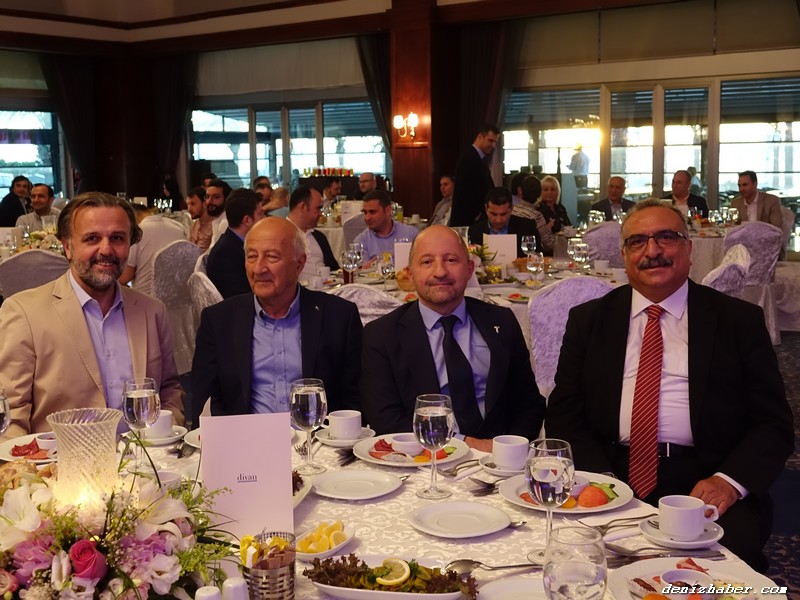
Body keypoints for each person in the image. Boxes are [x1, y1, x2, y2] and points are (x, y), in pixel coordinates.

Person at [545, 199, 793, 572]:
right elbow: (564, 413)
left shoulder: (737, 321)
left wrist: (728, 481)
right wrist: (601, 479)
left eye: (666, 237)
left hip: (705, 476)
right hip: (610, 470)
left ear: (689, 249)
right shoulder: (590, 320)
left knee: (726, 576)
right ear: (624, 255)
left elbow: (773, 424)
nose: (652, 251)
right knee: (572, 565)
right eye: (637, 241)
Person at [0, 192, 184, 438]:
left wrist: (164, 440)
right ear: (67, 247)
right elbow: (12, 413)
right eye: (92, 238)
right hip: (60, 460)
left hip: (143, 458)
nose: (106, 249)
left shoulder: (151, 310)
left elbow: (169, 389)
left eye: (117, 238)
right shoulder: (25, 313)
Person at [361, 225, 545, 450]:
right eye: (427, 262)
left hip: (501, 459)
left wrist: (507, 449)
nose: (440, 272)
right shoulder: (381, 335)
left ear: (469, 269)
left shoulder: (502, 321)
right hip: (424, 460)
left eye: (451, 260)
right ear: (410, 273)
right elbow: (386, 420)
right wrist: (466, 445)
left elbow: (529, 404)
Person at [191, 217, 362, 422]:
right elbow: (204, 402)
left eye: (271, 257)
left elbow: (355, 400)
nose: (258, 268)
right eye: (252, 257)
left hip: (317, 437)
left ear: (299, 263)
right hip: (246, 437)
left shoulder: (339, 317)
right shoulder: (219, 321)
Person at [206, 188, 264, 298]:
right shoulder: (225, 254)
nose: (264, 219)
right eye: (261, 214)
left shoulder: (234, 243)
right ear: (247, 220)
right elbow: (242, 297)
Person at [119, 204, 186, 297]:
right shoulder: (178, 228)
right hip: (176, 298)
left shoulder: (138, 232)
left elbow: (124, 278)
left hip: (144, 299)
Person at [448, 124, 499, 226]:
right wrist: (478, 215)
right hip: (468, 221)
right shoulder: (469, 158)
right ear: (480, 137)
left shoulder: (476, 158)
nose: (493, 145)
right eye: (490, 140)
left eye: (495, 142)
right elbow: (464, 193)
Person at [468, 187, 541, 258]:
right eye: (494, 214)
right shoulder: (475, 231)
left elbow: (537, 257)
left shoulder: (527, 228)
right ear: (486, 209)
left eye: (503, 214)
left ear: (511, 208)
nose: (498, 220)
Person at [286, 185, 339, 281]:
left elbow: (335, 270)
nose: (320, 214)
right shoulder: (281, 237)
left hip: (329, 288)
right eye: (318, 208)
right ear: (303, 207)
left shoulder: (319, 237)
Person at [353, 189, 418, 263]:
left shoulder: (411, 234)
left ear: (388, 210)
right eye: (365, 212)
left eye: (372, 212)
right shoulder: (361, 241)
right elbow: (362, 269)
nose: (367, 218)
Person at [513, 176, 555, 255]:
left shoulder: (511, 210)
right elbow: (549, 244)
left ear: (520, 191)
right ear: (539, 194)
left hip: (511, 252)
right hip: (531, 255)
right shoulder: (536, 216)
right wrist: (548, 229)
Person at [206, 178, 232, 248]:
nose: (209, 201)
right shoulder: (217, 220)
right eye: (207, 197)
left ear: (226, 199)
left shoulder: (225, 223)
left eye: (216, 197)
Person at [187, 186, 213, 251]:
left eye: (193, 204)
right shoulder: (195, 224)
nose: (189, 209)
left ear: (204, 204)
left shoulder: (214, 226)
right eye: (188, 204)